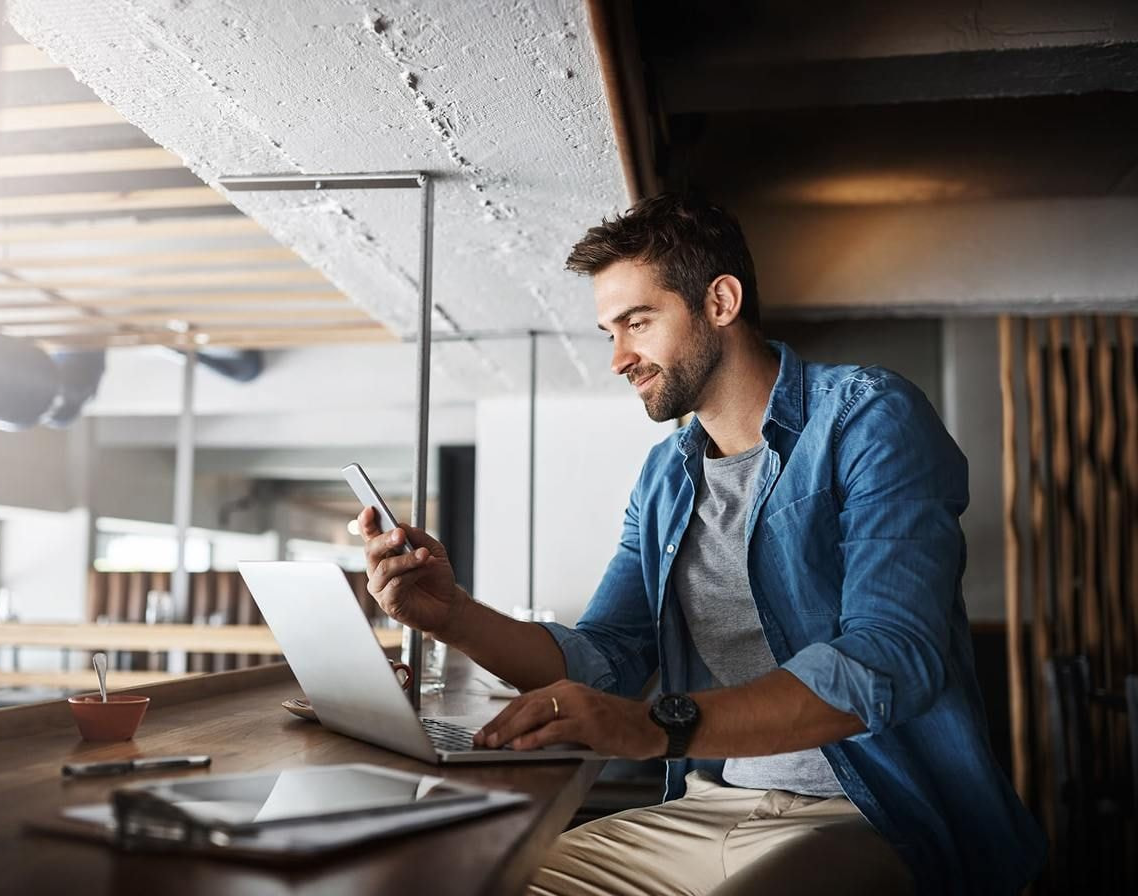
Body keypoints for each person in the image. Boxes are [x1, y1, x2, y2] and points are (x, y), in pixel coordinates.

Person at [358, 194, 1044, 894]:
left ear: (720, 301)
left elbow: (891, 656)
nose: (619, 357)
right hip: (706, 808)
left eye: (637, 322)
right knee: (479, 882)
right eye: (609, 332)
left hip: (869, 813)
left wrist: (658, 725)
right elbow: (608, 659)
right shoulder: (664, 477)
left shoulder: (868, 419)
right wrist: (451, 615)